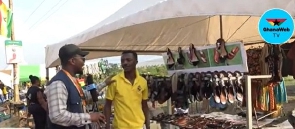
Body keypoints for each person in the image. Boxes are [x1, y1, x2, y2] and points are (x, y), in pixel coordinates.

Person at [45, 44, 115, 129]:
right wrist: (89, 117)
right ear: (73, 61)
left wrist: (104, 83)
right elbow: (58, 116)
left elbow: (83, 96)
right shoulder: (58, 83)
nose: (84, 63)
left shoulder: (71, 80)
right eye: (83, 59)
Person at [104, 50, 150, 129]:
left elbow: (144, 106)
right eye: (122, 61)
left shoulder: (143, 82)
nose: (125, 63)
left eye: (128, 60)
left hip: (138, 126)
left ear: (136, 62)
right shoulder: (114, 81)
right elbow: (107, 105)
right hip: (120, 126)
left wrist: (148, 126)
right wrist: (107, 125)